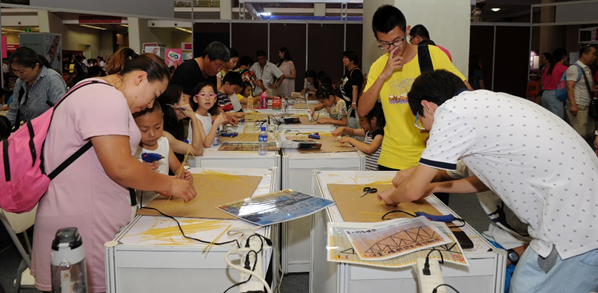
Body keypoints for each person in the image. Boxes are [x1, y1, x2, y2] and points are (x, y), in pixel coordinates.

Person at [378, 69, 598, 293]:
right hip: (583, 217)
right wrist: (434, 187)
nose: (425, 128)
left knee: (525, 287)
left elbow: (413, 190)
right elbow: (486, 180)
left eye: (420, 121)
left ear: (427, 106)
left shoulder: (451, 112)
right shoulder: (488, 101)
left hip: (573, 232)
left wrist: (390, 197)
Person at [31, 48, 197, 293]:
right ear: (140, 78)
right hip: (83, 220)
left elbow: (99, 160)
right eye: (154, 95)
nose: (150, 104)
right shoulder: (106, 98)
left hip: (85, 213)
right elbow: (119, 166)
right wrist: (171, 184)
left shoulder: (93, 88)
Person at [357, 5, 470, 172]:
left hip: (432, 158)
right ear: (376, 38)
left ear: (407, 31)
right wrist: (383, 75)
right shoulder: (378, 66)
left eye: (397, 40)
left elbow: (467, 96)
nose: (392, 48)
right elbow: (363, 109)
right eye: (385, 44)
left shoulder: (432, 55)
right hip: (391, 159)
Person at [430, 160, 531, 293]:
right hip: (495, 237)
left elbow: (556, 241)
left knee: (480, 284)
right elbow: (444, 175)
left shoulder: (529, 176)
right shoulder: (474, 159)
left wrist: (512, 255)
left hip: (525, 251)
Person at [133, 102, 193, 206]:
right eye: (144, 130)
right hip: (144, 207)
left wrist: (184, 175)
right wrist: (141, 170)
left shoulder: (164, 142)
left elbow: (177, 168)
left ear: (163, 119)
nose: (152, 134)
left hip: (165, 202)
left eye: (157, 127)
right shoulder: (133, 150)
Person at [6, 46, 67, 128]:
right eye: (14, 71)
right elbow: (14, 112)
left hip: (49, 134)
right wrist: (4, 125)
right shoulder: (20, 82)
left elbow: (61, 112)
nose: (18, 75)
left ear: (36, 66)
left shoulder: (52, 79)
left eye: (21, 71)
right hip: (29, 133)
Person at [156, 84, 204, 158]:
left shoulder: (179, 124)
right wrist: (193, 117)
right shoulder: (164, 134)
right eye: (184, 99)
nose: (188, 104)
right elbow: (198, 151)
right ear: (175, 106)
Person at [332, 102, 385, 171]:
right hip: (365, 170)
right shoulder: (368, 132)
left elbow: (369, 149)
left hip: (373, 173)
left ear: (373, 120)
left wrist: (350, 139)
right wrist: (343, 129)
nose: (359, 123)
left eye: (362, 120)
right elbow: (353, 131)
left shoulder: (379, 136)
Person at [565, 44, 596, 143]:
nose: (594, 57)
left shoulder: (587, 69)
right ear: (584, 55)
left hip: (587, 106)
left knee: (589, 133)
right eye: (593, 54)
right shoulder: (574, 68)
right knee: (580, 135)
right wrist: (573, 105)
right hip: (578, 106)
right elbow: (569, 87)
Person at [189, 81, 227, 148]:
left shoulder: (208, 115)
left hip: (207, 154)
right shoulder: (195, 119)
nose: (207, 98)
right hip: (197, 157)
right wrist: (216, 123)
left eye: (211, 95)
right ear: (195, 99)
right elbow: (206, 144)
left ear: (215, 99)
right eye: (203, 95)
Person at [541, 48, 568, 118]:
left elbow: (542, 81)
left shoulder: (549, 68)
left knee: (547, 119)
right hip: (555, 95)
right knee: (557, 119)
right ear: (564, 57)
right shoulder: (563, 68)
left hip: (545, 95)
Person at [340, 50, 364, 131]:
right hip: (346, 103)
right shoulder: (348, 71)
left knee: (353, 125)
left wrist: (354, 102)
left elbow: (355, 88)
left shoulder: (356, 72)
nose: (343, 60)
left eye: (346, 58)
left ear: (352, 60)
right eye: (343, 58)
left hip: (352, 104)